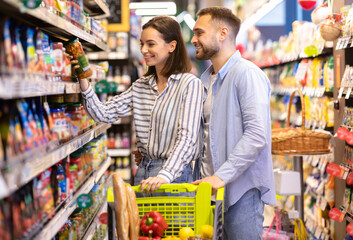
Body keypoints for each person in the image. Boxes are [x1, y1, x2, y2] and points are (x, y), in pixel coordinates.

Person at [76, 16, 204, 192]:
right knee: (144, 221)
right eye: (142, 44)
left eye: (151, 44)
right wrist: (83, 78)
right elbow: (103, 113)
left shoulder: (190, 84)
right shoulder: (140, 86)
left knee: (172, 221)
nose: (144, 50)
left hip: (175, 175)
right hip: (143, 173)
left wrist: (164, 175)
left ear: (172, 46)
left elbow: (187, 139)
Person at [190, 7, 276, 240]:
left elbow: (257, 135)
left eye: (199, 32)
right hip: (209, 191)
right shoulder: (206, 79)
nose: (193, 39)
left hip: (240, 192)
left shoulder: (246, 74)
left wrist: (221, 176)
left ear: (222, 33)